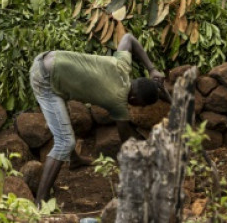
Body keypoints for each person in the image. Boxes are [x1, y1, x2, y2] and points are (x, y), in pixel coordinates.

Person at [30, 33, 165, 206]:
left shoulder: (122, 65)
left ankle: (74, 161)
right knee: (65, 141)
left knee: (64, 123)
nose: (138, 109)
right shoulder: (118, 101)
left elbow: (128, 38)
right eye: (141, 106)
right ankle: (40, 202)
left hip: (52, 59)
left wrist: (152, 69)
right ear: (135, 100)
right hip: (44, 79)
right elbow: (127, 142)